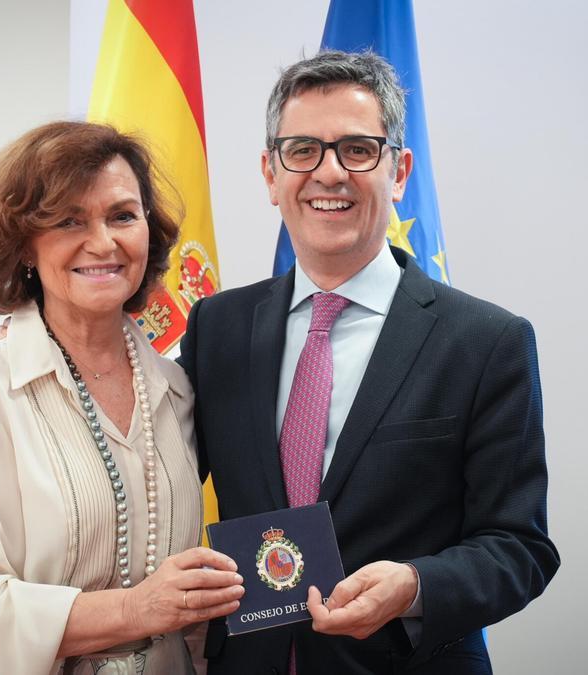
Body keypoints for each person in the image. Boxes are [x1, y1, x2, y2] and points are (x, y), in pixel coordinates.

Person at [178, 50, 560, 674]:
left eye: (358, 150)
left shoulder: (486, 341)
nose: (329, 173)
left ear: (399, 171)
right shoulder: (217, 327)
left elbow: (520, 547)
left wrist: (415, 586)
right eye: (303, 150)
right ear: (271, 174)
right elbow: (158, 481)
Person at [0, 121, 244, 675]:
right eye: (69, 220)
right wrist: (136, 609)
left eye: (122, 216)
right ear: (25, 244)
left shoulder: (178, 390)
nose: (103, 242)